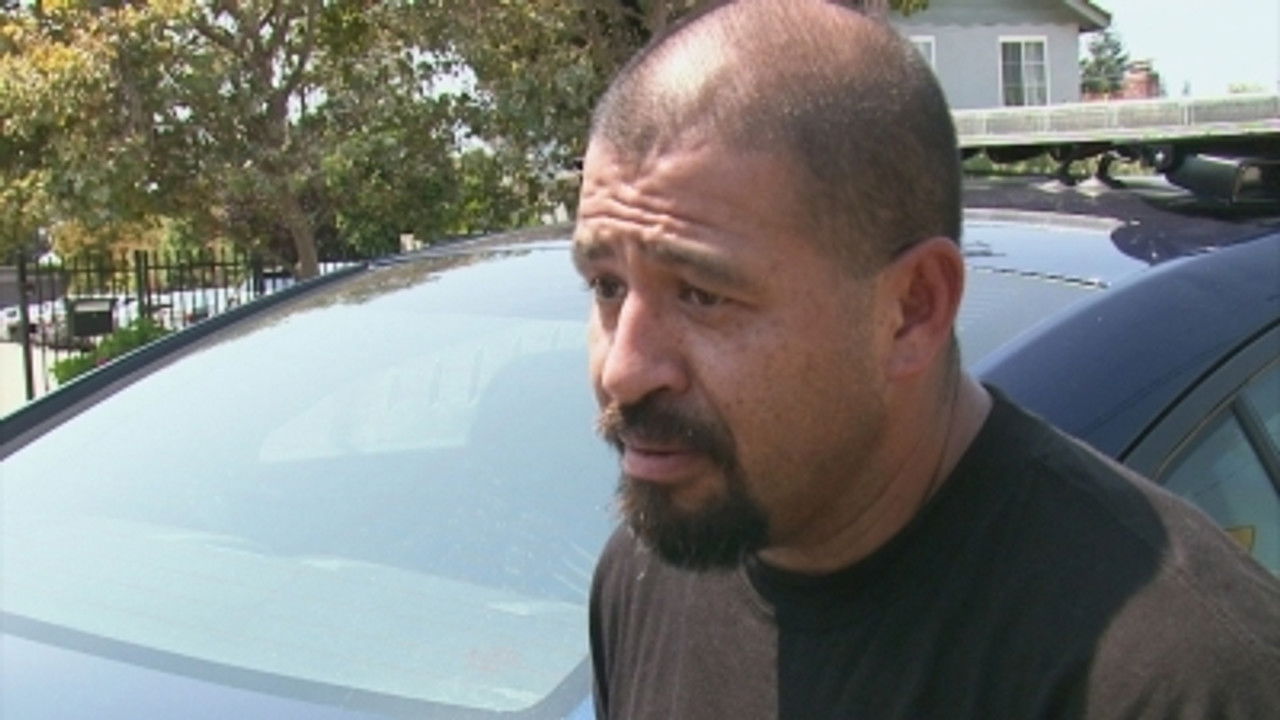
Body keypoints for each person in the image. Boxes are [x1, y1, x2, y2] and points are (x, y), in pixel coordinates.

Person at [571, 1, 1280, 718]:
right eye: (606, 286)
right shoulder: (650, 576)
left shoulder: (1179, 678)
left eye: (701, 295)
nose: (623, 369)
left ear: (913, 309)